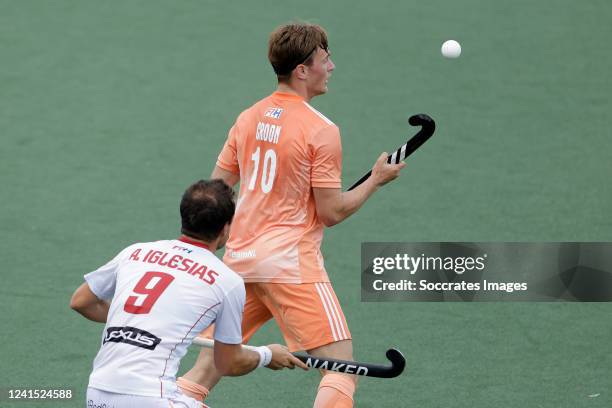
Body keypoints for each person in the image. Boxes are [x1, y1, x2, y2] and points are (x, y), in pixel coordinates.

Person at [177, 23, 405, 408]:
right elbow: (332, 212)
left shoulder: (248, 117)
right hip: (291, 267)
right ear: (302, 69)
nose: (331, 66)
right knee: (340, 369)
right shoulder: (321, 130)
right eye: (324, 58)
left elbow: (217, 190)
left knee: (204, 373)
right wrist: (376, 181)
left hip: (240, 265)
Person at [70, 179, 306, 408]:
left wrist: (144, 321)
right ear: (225, 228)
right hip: (153, 398)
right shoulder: (226, 281)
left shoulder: (135, 252)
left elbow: (81, 302)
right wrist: (266, 355)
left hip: (98, 394)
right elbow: (228, 363)